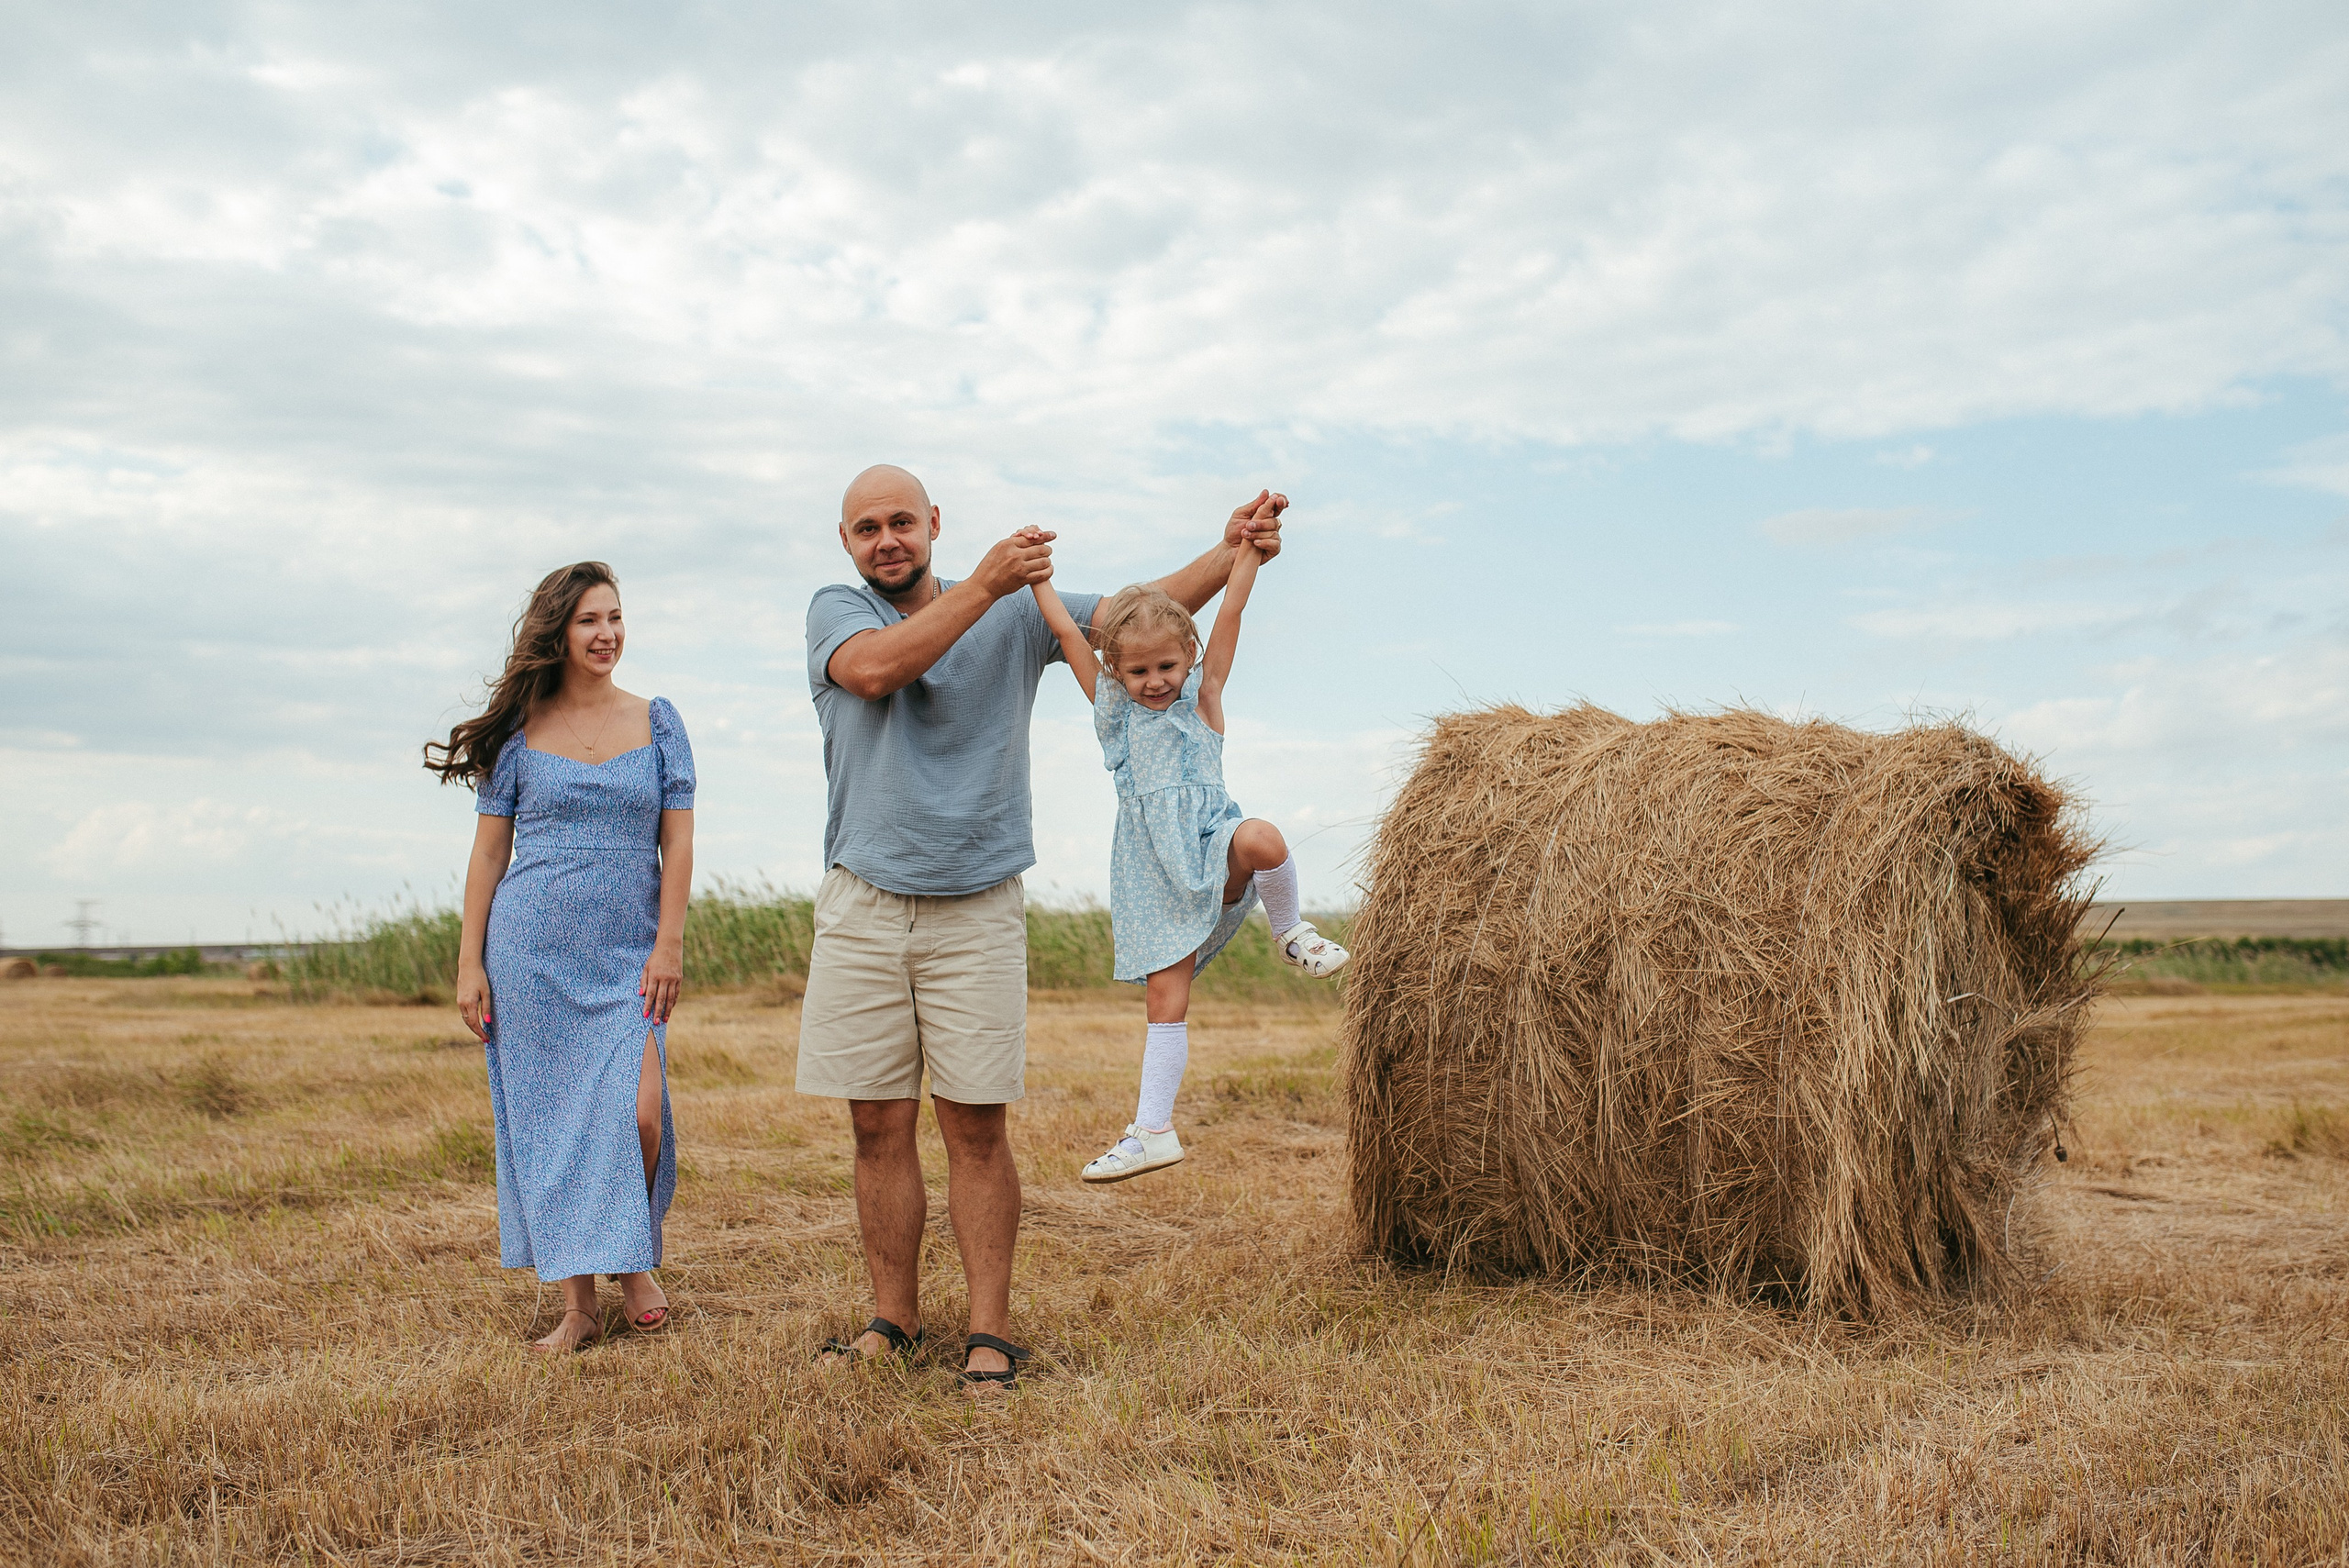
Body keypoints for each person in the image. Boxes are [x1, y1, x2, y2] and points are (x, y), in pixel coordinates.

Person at [800, 463, 1282, 1390]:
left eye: (902, 520)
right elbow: (872, 673)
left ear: (933, 522)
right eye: (868, 527)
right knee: (875, 1123)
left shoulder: (1020, 612)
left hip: (979, 898)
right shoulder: (839, 609)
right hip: (863, 897)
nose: (887, 538)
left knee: (976, 1126)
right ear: (848, 542)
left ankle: (989, 1331)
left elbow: (1146, 619)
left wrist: (1231, 550)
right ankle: (891, 1319)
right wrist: (987, 582)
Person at [428, 562, 696, 1354]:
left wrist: (669, 941)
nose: (607, 633)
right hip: (530, 953)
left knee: (640, 1112)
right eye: (590, 621)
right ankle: (579, 1304)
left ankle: (634, 1256)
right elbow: (486, 857)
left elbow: (677, 838)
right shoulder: (518, 734)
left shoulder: (658, 720)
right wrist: (469, 962)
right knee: (551, 1129)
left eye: (615, 617)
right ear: (558, 630)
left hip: (627, 953)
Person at [1031, 531, 1348, 1184]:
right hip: (1157, 885)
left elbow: (1229, 613)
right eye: (1139, 670)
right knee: (1164, 1003)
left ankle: (1291, 932)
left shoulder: (1204, 701)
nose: (1154, 681)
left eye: (1167, 667)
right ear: (1118, 671)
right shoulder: (1117, 719)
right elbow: (1067, 636)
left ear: (1189, 658)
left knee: (1261, 835)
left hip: (1214, 854)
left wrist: (1249, 554)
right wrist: (1039, 579)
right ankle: (1152, 1129)